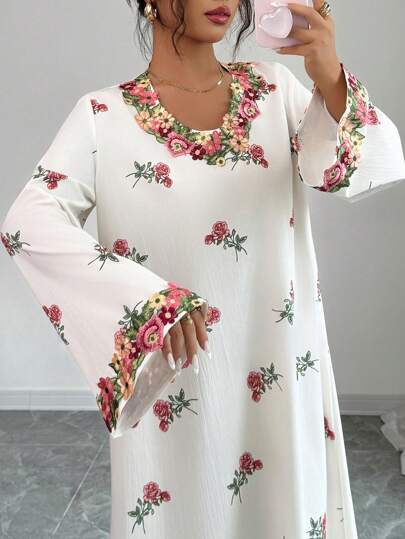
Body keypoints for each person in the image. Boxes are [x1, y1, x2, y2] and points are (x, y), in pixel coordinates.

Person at [1, 0, 405, 537]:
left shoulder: (274, 91)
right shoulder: (102, 116)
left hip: (278, 369)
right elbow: (27, 223)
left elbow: (347, 171)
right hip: (181, 378)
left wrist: (329, 77)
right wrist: (147, 305)